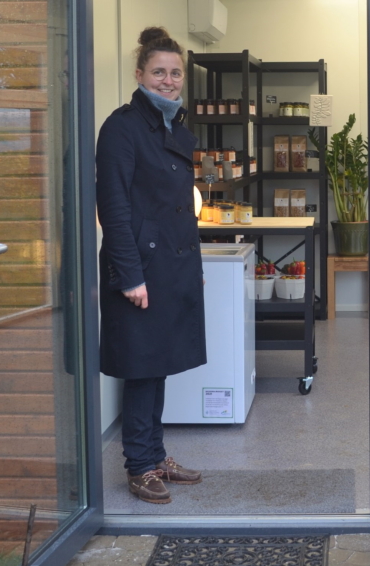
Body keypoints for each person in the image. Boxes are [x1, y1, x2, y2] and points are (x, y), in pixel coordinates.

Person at [95, 26, 206, 504]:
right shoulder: (121, 128)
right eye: (158, 72)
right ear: (139, 74)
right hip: (139, 268)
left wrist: (189, 261)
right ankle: (139, 465)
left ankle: (156, 455)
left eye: (175, 73)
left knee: (158, 365)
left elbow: (178, 205)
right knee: (142, 367)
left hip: (171, 265)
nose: (167, 80)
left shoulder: (172, 126)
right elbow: (114, 208)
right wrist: (130, 275)